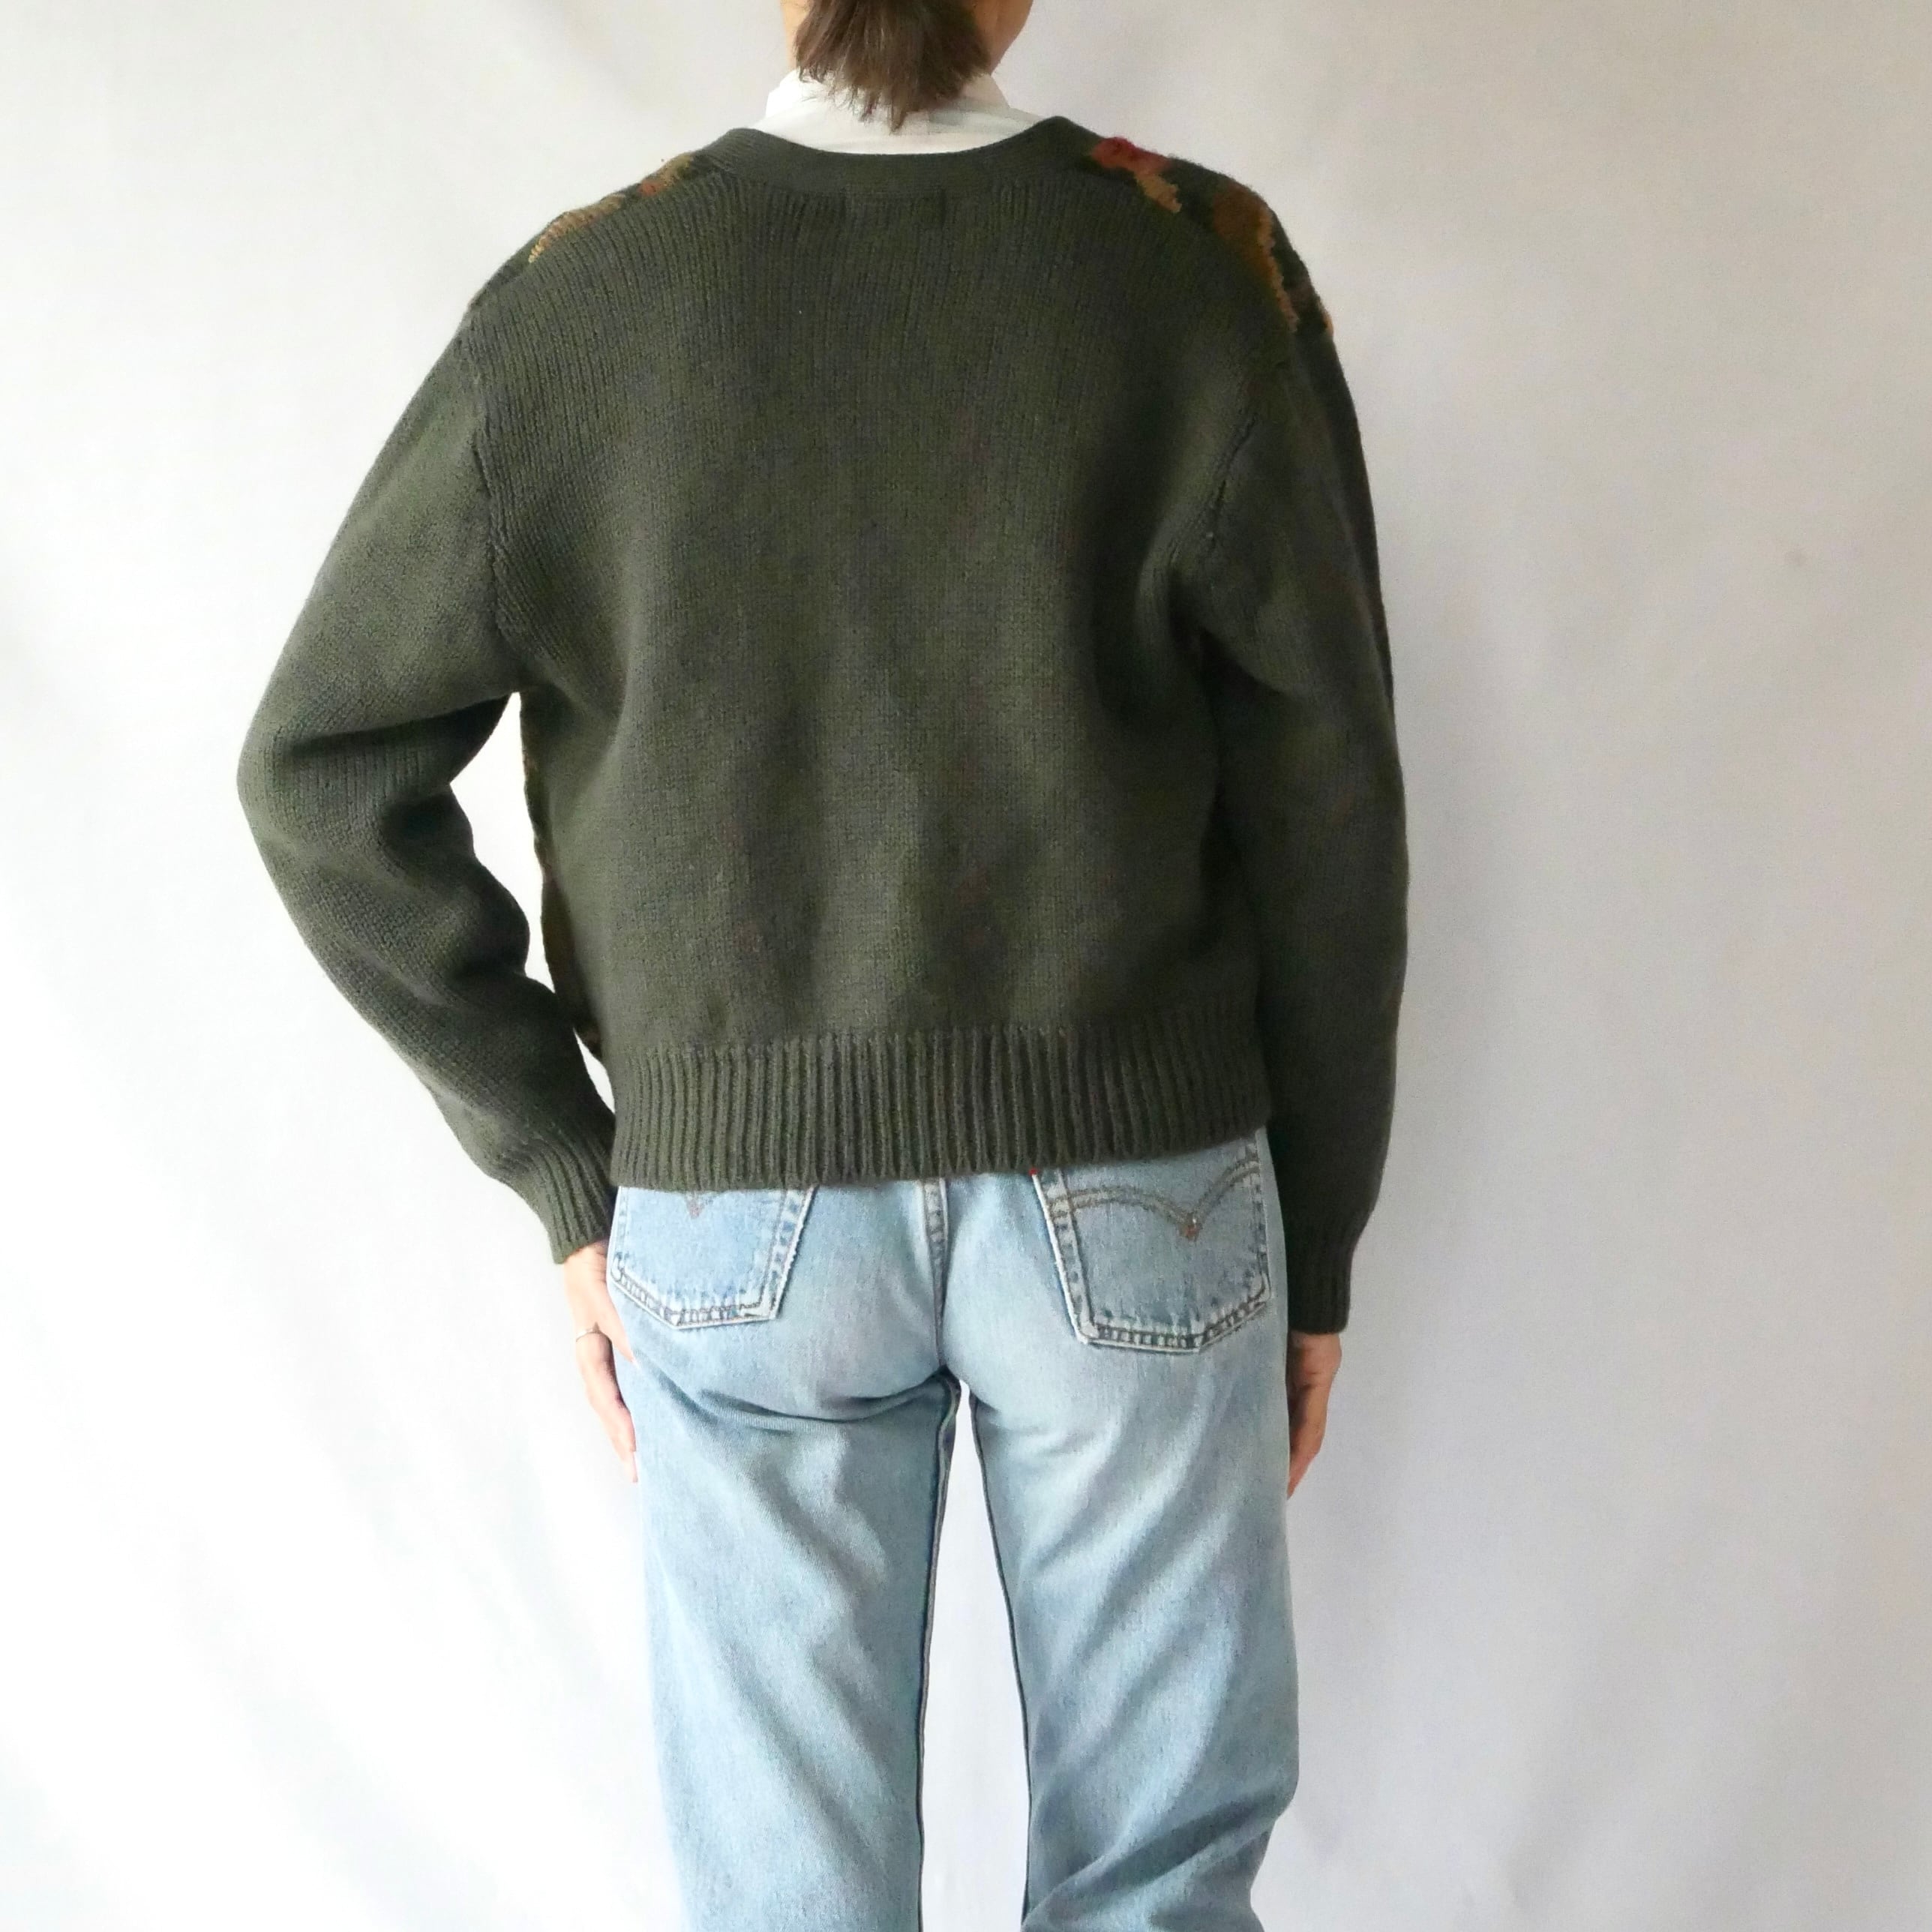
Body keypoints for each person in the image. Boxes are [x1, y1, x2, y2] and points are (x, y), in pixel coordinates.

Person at [235, 0, 1408, 1922]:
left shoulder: (580, 306)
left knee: (787, 1900)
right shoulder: (1199, 273)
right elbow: (1328, 798)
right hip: (1142, 1190)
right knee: (1157, 1883)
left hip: (738, 1212)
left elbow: (317, 767)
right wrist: (1320, 1225)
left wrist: (567, 1164)